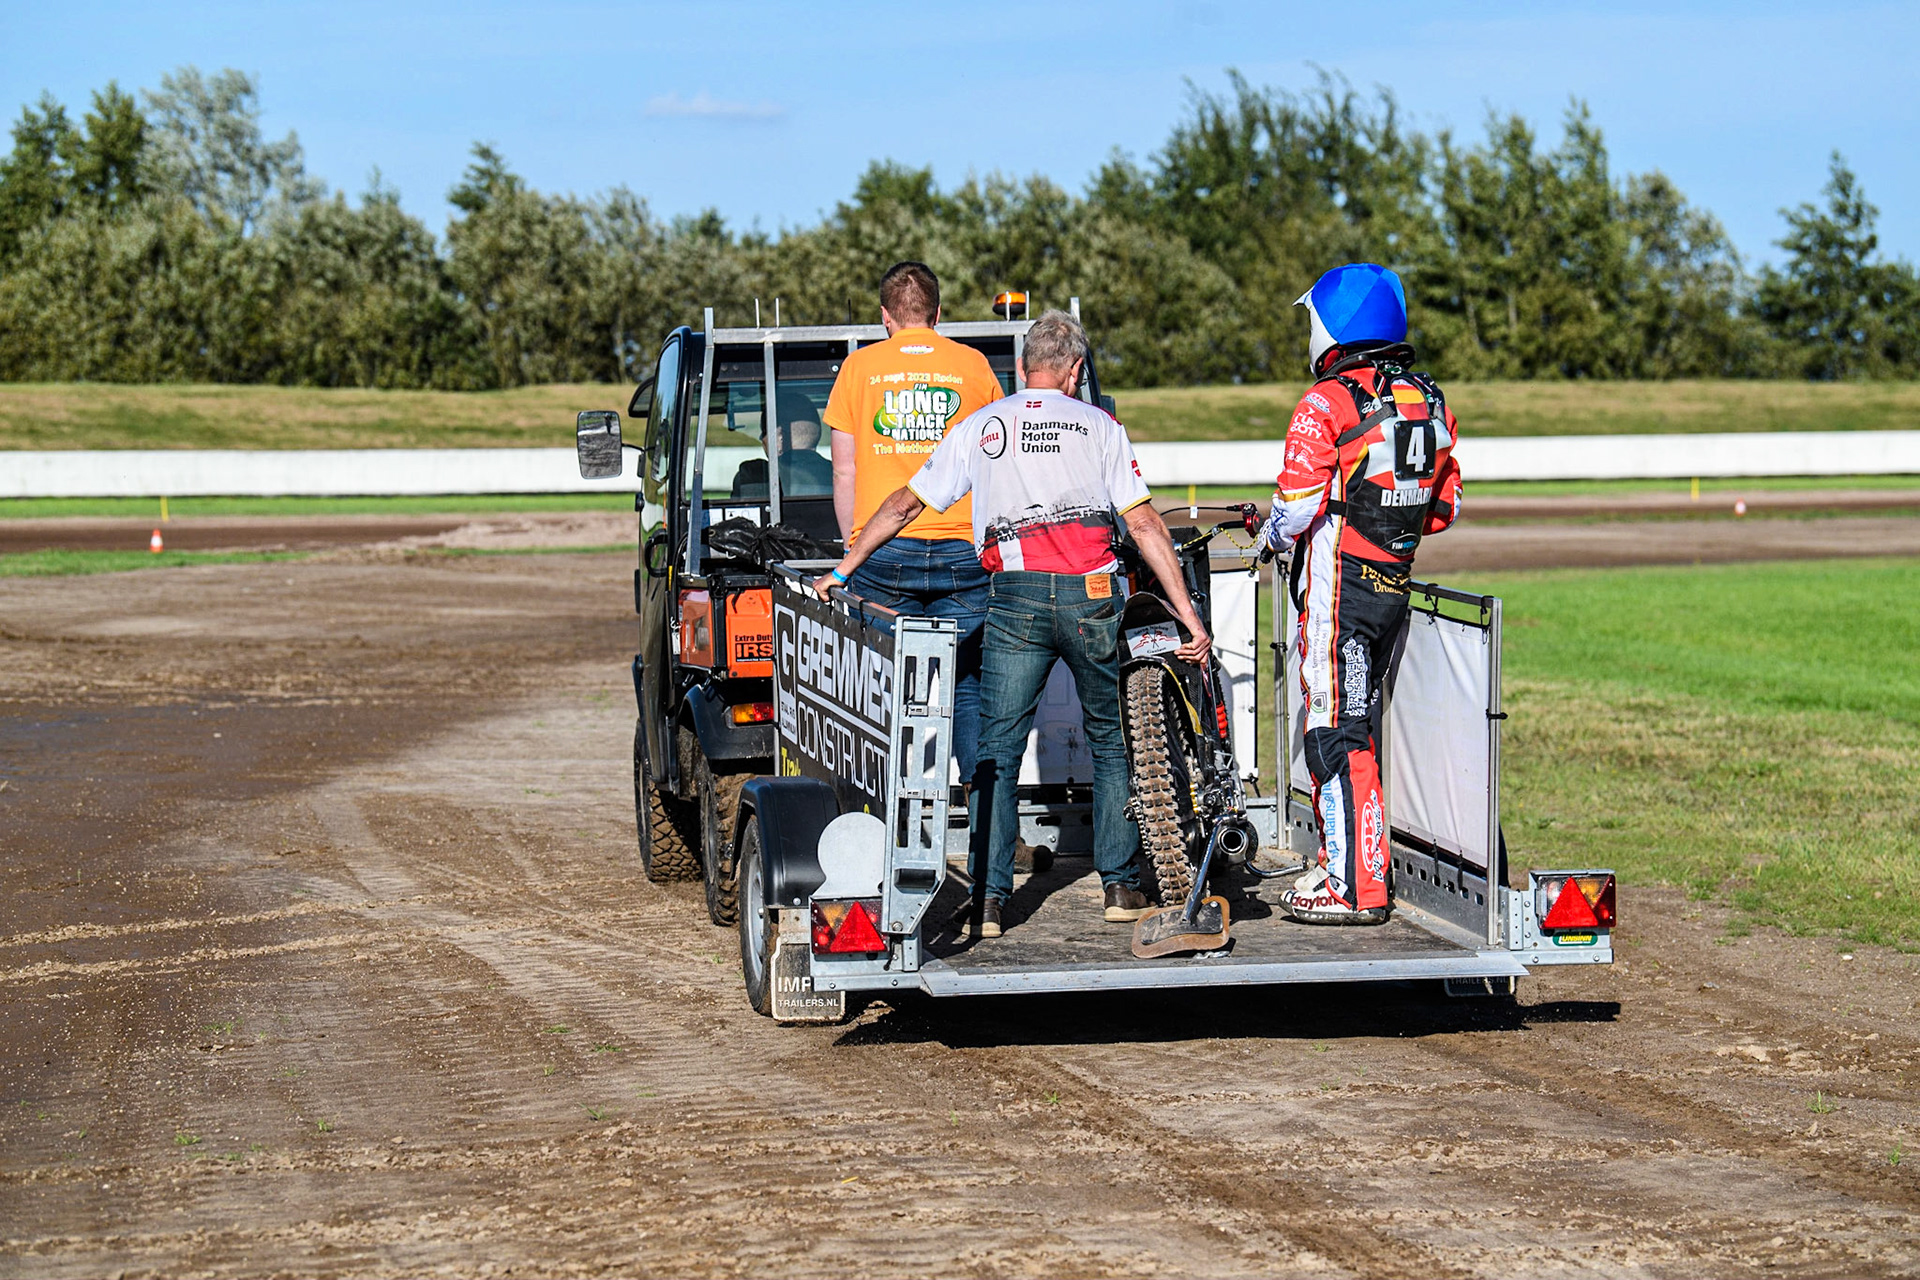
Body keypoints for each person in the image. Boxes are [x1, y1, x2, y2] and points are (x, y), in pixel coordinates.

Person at [817, 311, 1211, 939]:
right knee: (1110, 743)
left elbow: (903, 503)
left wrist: (846, 567)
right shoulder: (1101, 426)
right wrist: (1188, 616)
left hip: (1015, 600)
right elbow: (1143, 526)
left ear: (1021, 368)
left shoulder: (983, 424)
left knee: (997, 751)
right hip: (1092, 597)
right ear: (1076, 370)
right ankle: (1117, 884)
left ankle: (992, 900)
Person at [1258, 263, 1463, 925]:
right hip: (1392, 589)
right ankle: (1348, 864)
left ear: (1333, 325)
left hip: (1337, 594)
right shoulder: (1431, 400)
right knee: (1357, 727)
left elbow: (1292, 511)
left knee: (1333, 732)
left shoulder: (1326, 402)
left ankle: (1354, 887)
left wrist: (1268, 529)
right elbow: (1445, 510)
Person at [821, 261, 1005, 788]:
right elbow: (995, 460)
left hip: (886, 552)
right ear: (937, 313)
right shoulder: (973, 367)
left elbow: (845, 469)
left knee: (889, 684)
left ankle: (892, 814)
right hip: (964, 553)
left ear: (885, 317)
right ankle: (988, 823)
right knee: (966, 679)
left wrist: (856, 545)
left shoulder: (859, 369)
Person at [731, 395, 834, 499]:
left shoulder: (752, 476)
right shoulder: (839, 475)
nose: (762, 439)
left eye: (764, 433)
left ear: (780, 437)